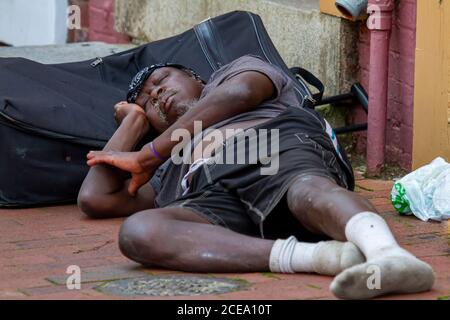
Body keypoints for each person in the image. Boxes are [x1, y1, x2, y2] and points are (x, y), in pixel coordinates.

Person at [77, 55, 435, 299]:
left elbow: (242, 92)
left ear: (197, 78)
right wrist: (133, 122)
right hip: (215, 195)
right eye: (148, 102)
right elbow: (97, 199)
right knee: (140, 231)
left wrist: (148, 152)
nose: (157, 95)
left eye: (161, 80)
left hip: (270, 145)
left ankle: (388, 255)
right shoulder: (170, 166)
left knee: (304, 190)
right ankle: (327, 258)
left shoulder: (232, 74)